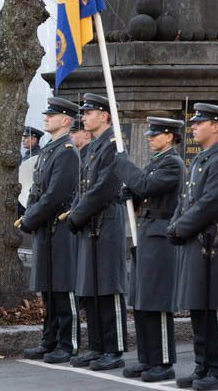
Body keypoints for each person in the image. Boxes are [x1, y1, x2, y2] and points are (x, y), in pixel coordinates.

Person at [168, 103, 218, 391]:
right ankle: (202, 365)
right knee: (198, 305)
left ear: (216, 126)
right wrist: (175, 225)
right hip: (196, 241)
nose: (193, 126)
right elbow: (186, 202)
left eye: (200, 122)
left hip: (212, 240)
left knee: (214, 308)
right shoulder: (200, 160)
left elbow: (209, 205)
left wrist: (180, 228)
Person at [112, 116, 184, 382]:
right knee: (142, 301)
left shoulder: (172, 163)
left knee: (157, 302)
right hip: (146, 233)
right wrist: (132, 194)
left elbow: (145, 184)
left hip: (160, 235)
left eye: (156, 134)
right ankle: (147, 359)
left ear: (170, 136)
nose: (150, 137)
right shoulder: (157, 162)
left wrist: (124, 167)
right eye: (150, 134)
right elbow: (144, 189)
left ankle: (163, 362)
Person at [66, 93, 128, 371]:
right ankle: (97, 347)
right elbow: (84, 187)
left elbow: (104, 187)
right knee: (90, 288)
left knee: (108, 287)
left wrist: (77, 215)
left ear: (104, 115)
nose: (84, 117)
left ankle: (113, 350)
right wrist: (76, 213)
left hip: (106, 221)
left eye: (89, 113)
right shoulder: (93, 146)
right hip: (90, 222)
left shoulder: (113, 144)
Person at [19, 97, 82, 365]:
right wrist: (30, 213)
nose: (45, 118)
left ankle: (67, 344)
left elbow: (56, 195)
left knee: (63, 288)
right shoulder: (49, 150)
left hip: (61, 227)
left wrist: (30, 219)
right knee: (47, 287)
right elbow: (37, 190)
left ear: (65, 120)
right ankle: (49, 339)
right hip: (46, 227)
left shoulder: (67, 151)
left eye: (51, 115)